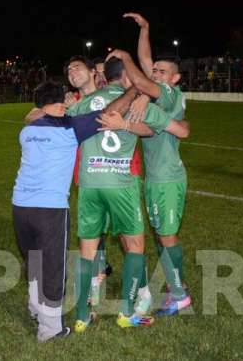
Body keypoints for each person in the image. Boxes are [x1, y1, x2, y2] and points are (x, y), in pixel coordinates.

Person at [13, 81, 140, 342]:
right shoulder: (69, 129)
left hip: (20, 206)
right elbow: (111, 110)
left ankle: (36, 309)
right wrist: (133, 91)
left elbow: (36, 114)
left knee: (34, 260)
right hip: (50, 210)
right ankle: (51, 329)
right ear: (61, 103)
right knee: (52, 268)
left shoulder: (27, 131)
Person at [70, 57, 190, 331]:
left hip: (89, 185)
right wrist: (131, 117)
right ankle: (127, 312)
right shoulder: (135, 104)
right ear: (127, 78)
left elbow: (72, 124)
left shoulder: (84, 102)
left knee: (88, 250)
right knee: (135, 246)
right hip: (121, 184)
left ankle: (81, 316)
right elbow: (158, 129)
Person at [115, 11, 193, 315]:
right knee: (162, 233)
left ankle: (178, 293)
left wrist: (124, 57)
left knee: (166, 235)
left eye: (162, 71)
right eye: (156, 70)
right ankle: (178, 288)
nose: (156, 72)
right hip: (158, 177)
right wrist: (145, 29)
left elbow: (142, 78)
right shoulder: (161, 93)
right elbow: (146, 67)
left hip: (167, 178)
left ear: (174, 78)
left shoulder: (170, 94)